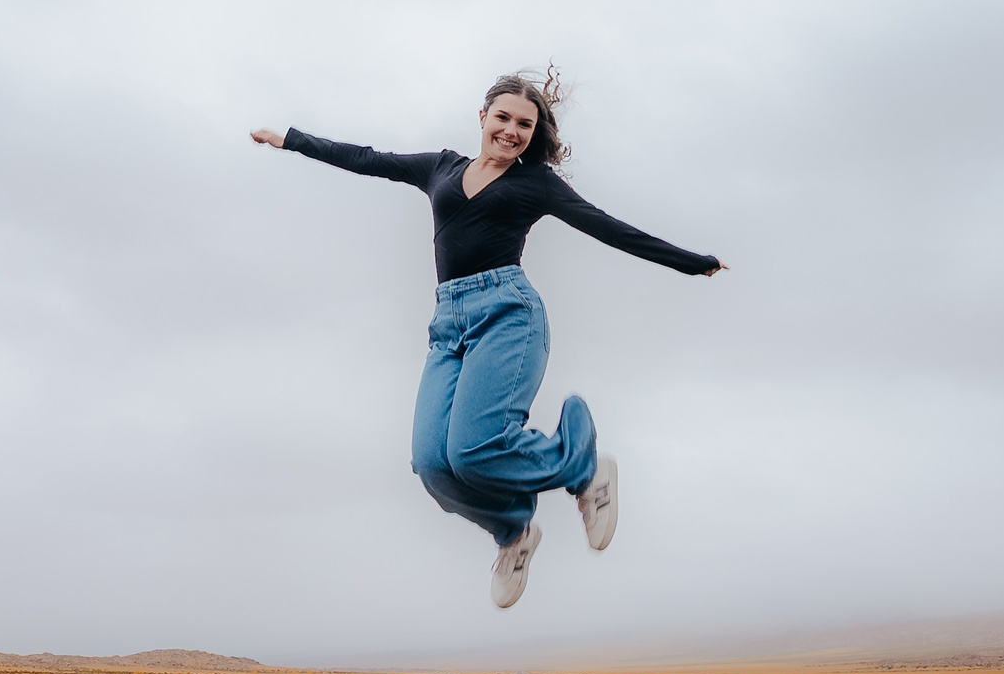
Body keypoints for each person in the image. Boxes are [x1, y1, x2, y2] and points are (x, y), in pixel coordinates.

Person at [252, 71, 725, 608]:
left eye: (525, 124)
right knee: (433, 464)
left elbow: (609, 227)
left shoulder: (536, 183)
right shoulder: (441, 168)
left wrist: (695, 264)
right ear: (482, 118)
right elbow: (368, 159)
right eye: (503, 117)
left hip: (507, 313)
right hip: (448, 325)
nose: (511, 131)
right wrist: (291, 140)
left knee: (472, 449)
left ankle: (583, 465)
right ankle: (513, 529)